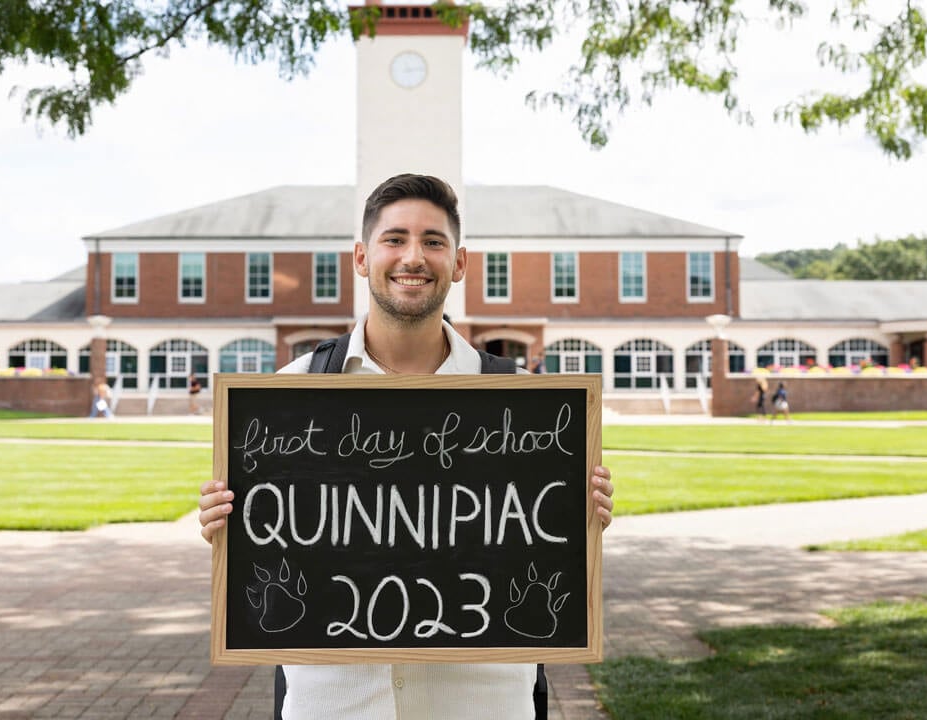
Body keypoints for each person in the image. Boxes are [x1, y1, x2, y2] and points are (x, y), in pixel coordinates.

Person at [197, 174, 615, 720]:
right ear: (362, 257)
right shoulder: (291, 393)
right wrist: (228, 525)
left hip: (483, 706)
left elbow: (544, 547)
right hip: (337, 707)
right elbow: (268, 550)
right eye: (394, 239)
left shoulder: (525, 403)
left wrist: (579, 520)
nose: (413, 257)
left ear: (460, 262)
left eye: (433, 242)